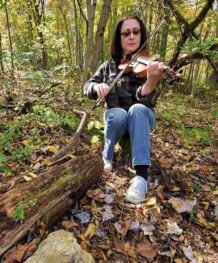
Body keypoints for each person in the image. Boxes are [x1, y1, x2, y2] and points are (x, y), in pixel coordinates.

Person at [83, 15, 164, 204]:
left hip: (142, 116)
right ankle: (107, 156)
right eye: (126, 33)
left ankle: (141, 178)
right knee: (118, 113)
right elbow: (87, 85)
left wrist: (151, 82)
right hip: (116, 119)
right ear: (119, 38)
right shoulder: (108, 66)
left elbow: (144, 97)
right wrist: (96, 88)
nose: (131, 36)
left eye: (136, 32)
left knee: (137, 109)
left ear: (141, 35)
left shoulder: (149, 64)